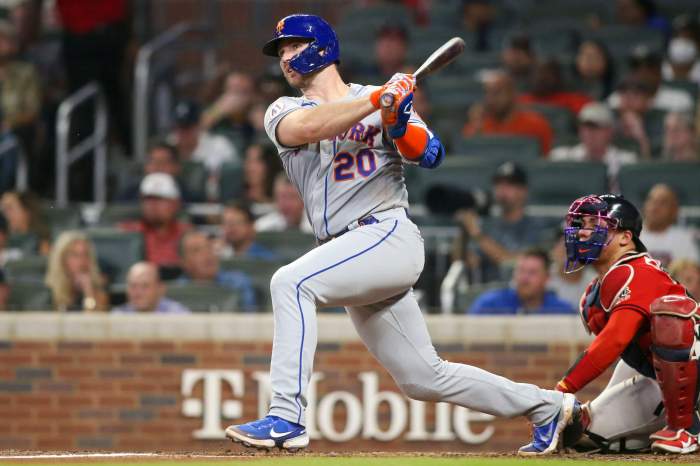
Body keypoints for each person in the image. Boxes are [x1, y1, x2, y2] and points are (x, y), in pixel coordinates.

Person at [224, 14, 579, 455]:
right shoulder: (284, 108)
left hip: (387, 234)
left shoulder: (382, 99)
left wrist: (397, 120)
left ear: (322, 46)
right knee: (423, 377)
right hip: (346, 252)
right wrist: (380, 98)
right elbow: (312, 128)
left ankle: (286, 418)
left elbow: (429, 154)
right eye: (280, 52)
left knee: (290, 282)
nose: (285, 58)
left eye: (293, 46)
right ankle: (548, 407)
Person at [554, 194, 700, 454]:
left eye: (594, 224)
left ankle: (686, 429)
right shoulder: (594, 292)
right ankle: (644, 436)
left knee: (671, 319)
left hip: (694, 376)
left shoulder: (637, 270)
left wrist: (564, 388)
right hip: (663, 382)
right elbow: (631, 356)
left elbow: (614, 340)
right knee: (576, 431)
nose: (584, 233)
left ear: (625, 237)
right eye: (581, 224)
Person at [458, 162, 552, 282]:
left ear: (523, 191)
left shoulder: (536, 228)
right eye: (498, 184)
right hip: (489, 292)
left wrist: (477, 235)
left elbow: (512, 262)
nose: (502, 190)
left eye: (509, 185)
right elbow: (468, 262)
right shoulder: (487, 225)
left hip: (521, 292)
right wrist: (463, 230)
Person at [549, 102, 638, 192]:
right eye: (585, 127)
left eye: (596, 127)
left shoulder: (626, 162)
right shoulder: (562, 158)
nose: (589, 133)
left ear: (609, 131)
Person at [463, 70, 553, 154]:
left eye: (497, 92)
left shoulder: (537, 125)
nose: (490, 99)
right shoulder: (478, 126)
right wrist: (477, 129)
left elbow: (545, 164)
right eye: (487, 93)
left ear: (512, 94)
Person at [167, 100, 240, 200]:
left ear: (198, 126)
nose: (182, 132)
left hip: (212, 204)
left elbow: (234, 182)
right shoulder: (167, 147)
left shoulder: (219, 146)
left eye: (187, 127)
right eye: (178, 127)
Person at [468, 248, 576, 315]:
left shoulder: (562, 311)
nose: (524, 278)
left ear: (547, 278)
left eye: (532, 272)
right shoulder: (489, 305)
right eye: (521, 271)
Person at [119, 173, 191, 269]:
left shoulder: (188, 234)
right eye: (148, 199)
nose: (152, 205)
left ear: (175, 203)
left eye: (160, 199)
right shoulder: (128, 232)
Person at [179, 231, 257, 312]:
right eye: (196, 250)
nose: (207, 253)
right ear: (184, 263)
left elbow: (250, 319)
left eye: (209, 247)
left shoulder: (239, 283)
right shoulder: (177, 293)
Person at [608, 46, 694, 113]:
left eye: (650, 67)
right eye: (636, 67)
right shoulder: (617, 99)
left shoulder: (679, 99)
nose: (643, 73)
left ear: (659, 71)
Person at [116, 141, 202, 203]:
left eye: (164, 162)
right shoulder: (129, 195)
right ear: (146, 166)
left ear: (177, 167)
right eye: (153, 162)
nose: (158, 167)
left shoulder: (190, 198)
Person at [44, 230, 108, 312]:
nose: (82, 261)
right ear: (61, 259)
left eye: (86, 254)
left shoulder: (99, 291)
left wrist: (89, 292)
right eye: (75, 255)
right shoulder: (48, 291)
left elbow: (93, 320)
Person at [639, 183, 699, 267]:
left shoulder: (684, 240)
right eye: (652, 200)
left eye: (663, 202)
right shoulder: (630, 237)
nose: (655, 207)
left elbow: (691, 275)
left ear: (674, 210)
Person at [518, 59, 592, 115]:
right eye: (536, 74)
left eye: (546, 75)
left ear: (557, 78)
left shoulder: (576, 101)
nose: (540, 79)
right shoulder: (519, 102)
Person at [111, 262, 190, 314]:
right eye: (133, 286)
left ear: (160, 289)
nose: (138, 292)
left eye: (145, 286)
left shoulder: (177, 314)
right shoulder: (118, 315)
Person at [0, 190, 49, 255]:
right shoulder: (4, 239)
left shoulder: (42, 243)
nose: (4, 213)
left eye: (9, 208)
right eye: (2, 209)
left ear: (26, 211)